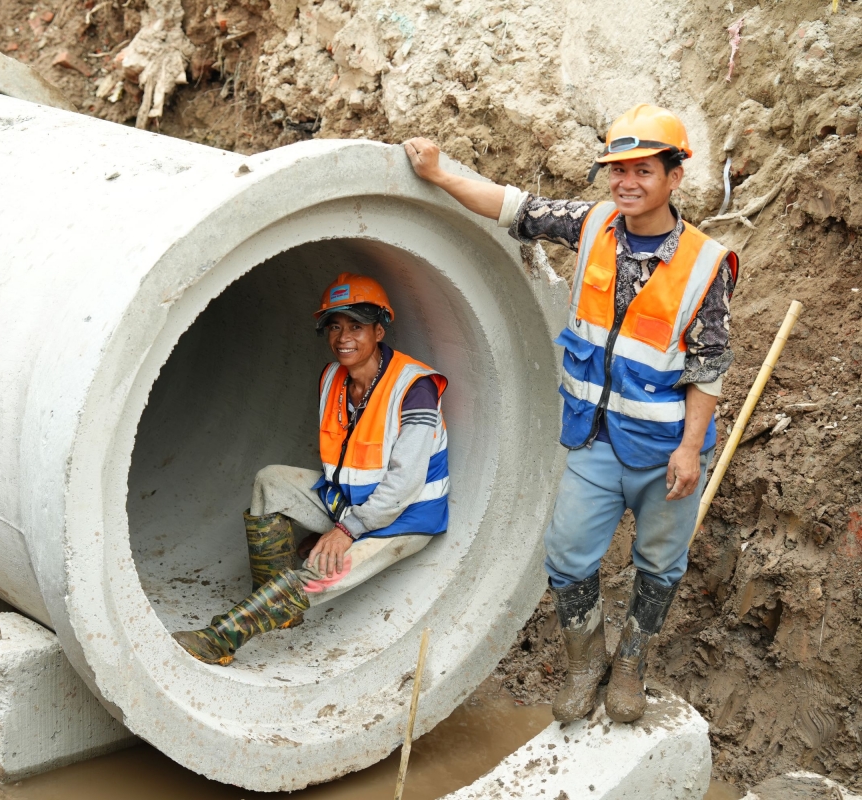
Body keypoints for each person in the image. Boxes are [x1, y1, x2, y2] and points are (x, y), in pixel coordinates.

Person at [403, 103, 738, 724]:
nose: (627, 183)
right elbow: (514, 207)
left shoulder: (704, 263)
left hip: (667, 449)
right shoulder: (592, 226)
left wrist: (691, 449)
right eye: (617, 170)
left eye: (642, 170)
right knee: (566, 555)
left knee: (659, 564)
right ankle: (587, 661)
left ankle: (632, 662)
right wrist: (442, 174)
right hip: (595, 440)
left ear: (674, 176)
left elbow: (709, 367)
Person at [173, 273, 450, 666]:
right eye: (334, 326)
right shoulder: (333, 376)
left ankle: (221, 638)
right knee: (271, 480)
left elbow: (405, 484)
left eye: (356, 325)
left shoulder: (414, 387)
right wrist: (338, 519)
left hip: (402, 517)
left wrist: (345, 532)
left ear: (379, 329)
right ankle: (278, 605)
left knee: (320, 571)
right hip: (349, 503)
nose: (343, 337)